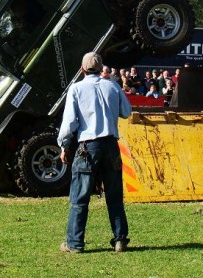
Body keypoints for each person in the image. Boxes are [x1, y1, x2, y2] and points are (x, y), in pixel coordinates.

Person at [58, 52, 132, 254]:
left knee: (80, 197)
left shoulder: (76, 89)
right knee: (114, 196)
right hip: (111, 145)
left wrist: (64, 146)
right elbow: (126, 112)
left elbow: (69, 123)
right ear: (101, 69)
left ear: (82, 69)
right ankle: (120, 240)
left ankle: (75, 243)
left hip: (88, 147)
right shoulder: (113, 86)